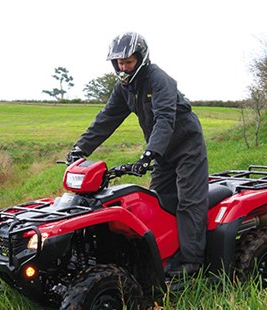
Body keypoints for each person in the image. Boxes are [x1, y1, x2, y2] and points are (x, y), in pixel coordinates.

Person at [67, 32, 208, 276]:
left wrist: (149, 153)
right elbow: (107, 118)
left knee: (189, 200)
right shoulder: (125, 88)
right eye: (119, 63)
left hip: (186, 146)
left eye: (128, 62)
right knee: (158, 200)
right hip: (162, 152)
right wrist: (81, 148)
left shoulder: (159, 80)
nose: (123, 67)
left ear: (141, 58)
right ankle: (165, 251)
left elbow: (165, 118)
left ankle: (191, 262)